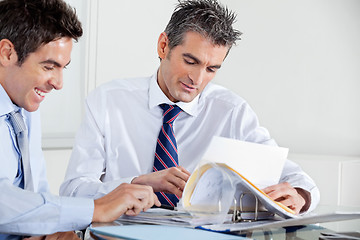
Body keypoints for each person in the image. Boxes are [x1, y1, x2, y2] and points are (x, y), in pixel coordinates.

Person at [60, 0, 320, 215]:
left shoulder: (231, 111)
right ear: (164, 46)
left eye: (211, 69)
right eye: (190, 61)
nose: (197, 79)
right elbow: (73, 191)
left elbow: (297, 179)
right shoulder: (107, 101)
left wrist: (299, 196)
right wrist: (138, 182)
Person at [0, 0, 160, 239]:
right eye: (49, 66)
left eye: (63, 68)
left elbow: (36, 197)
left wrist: (52, 231)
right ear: (7, 53)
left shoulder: (23, 107)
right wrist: (97, 208)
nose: (58, 83)